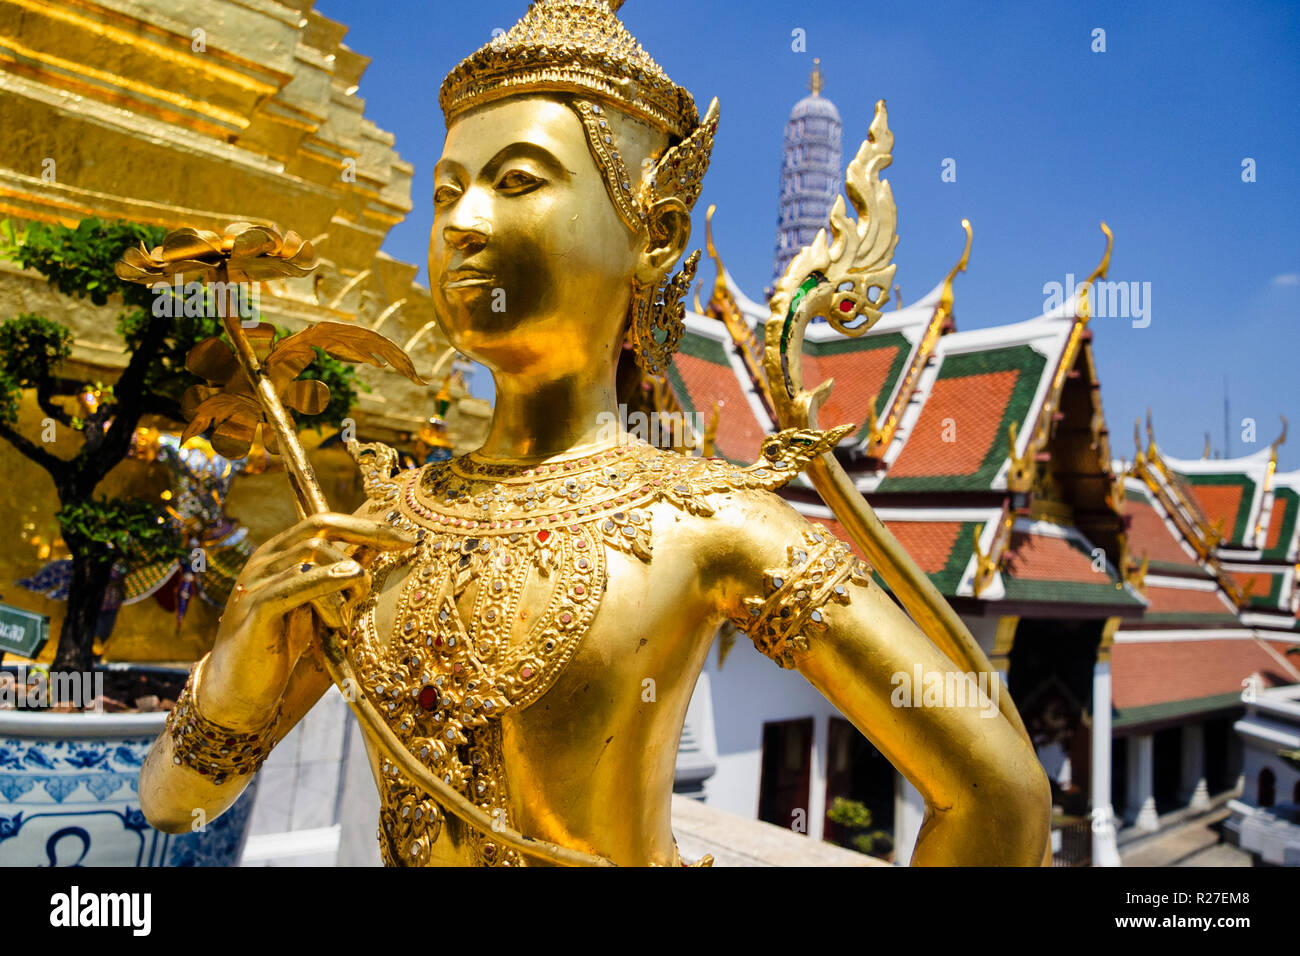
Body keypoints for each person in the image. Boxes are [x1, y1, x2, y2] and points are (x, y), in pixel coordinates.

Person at [140, 0, 1049, 866]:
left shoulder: (711, 525)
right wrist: (232, 677)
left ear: (653, 233)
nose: (461, 223)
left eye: (517, 182)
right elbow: (177, 805)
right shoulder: (382, 525)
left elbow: (1000, 794)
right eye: (445, 191)